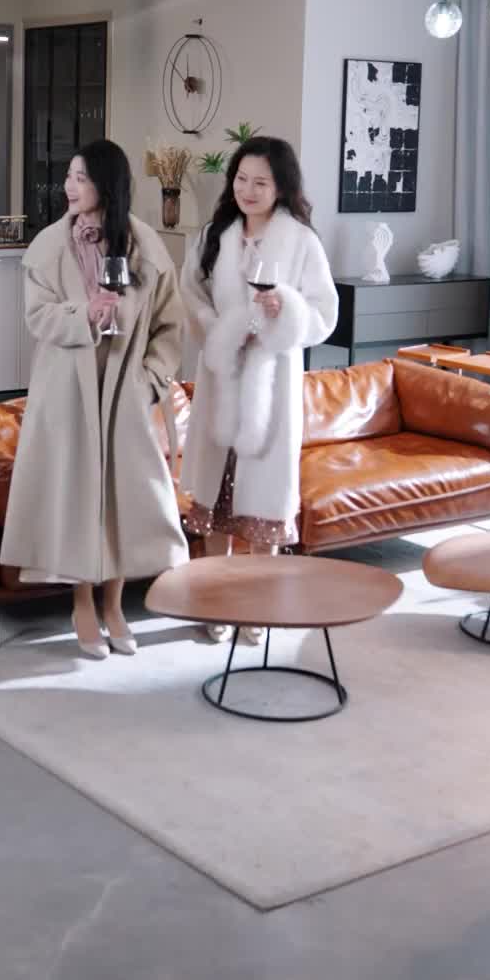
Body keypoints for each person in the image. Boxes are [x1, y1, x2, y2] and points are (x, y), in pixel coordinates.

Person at [1, 138, 188, 658]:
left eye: (80, 177)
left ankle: (115, 605)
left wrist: (149, 379)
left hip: (125, 390)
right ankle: (82, 604)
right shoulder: (48, 246)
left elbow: (170, 327)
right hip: (66, 391)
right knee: (77, 498)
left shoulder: (145, 247)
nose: (69, 186)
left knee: (123, 499)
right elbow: (37, 317)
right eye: (69, 176)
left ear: (107, 183)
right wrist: (83, 314)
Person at [180, 137, 337, 638]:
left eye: (260, 183)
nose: (247, 190)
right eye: (241, 179)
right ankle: (216, 603)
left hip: (271, 386)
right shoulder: (213, 235)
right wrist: (221, 329)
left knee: (263, 500)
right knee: (215, 498)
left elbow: (324, 313)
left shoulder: (302, 242)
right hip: (221, 377)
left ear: (281, 187)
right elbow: (191, 293)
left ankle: (257, 606)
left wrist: (285, 308)